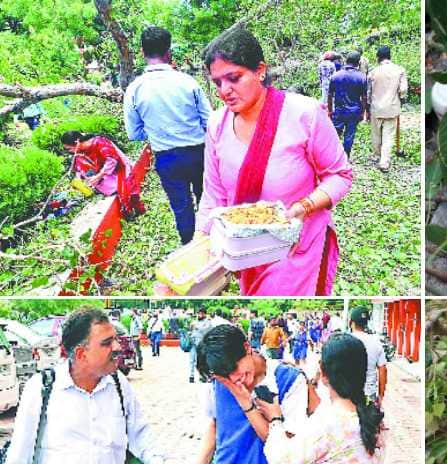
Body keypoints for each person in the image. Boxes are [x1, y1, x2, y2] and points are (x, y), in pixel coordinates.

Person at [0, 307, 181, 464]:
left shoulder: (118, 385)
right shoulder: (43, 388)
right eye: (106, 343)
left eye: (115, 339)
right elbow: (20, 451)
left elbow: (140, 433)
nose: (117, 347)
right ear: (81, 353)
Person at [196, 28, 353, 295]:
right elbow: (214, 195)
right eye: (217, 83)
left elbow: (340, 175)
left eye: (234, 78)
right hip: (246, 247)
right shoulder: (216, 125)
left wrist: (304, 207)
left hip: (296, 245)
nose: (225, 91)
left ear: (260, 70)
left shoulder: (305, 114)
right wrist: (200, 243)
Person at [256, 333, 387, 464]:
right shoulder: (373, 416)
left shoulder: (327, 423)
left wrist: (275, 420)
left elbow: (283, 461)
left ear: (323, 373)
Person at [185, 324, 308, 464]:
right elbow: (215, 424)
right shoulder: (218, 381)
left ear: (247, 347)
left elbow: (287, 446)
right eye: (226, 375)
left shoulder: (289, 380)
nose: (234, 379)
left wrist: (247, 404)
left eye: (235, 368)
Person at [124, 26, 212, 245]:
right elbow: (210, 121)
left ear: (142, 52)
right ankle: (212, 246)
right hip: (198, 152)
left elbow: (133, 133)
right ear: (169, 51)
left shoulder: (135, 89)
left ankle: (191, 252)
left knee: (181, 208)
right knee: (207, 202)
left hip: (167, 158)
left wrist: (157, 130)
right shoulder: (187, 82)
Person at [61, 131, 141, 215]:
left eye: (69, 149)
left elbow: (112, 160)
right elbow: (79, 169)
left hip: (119, 168)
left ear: (76, 142)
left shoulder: (99, 142)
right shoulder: (79, 153)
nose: (70, 151)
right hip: (106, 173)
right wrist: (80, 178)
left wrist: (98, 176)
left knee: (126, 191)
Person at [367, 45, 407, 172]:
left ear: (378, 57)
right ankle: (384, 162)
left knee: (376, 133)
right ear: (390, 56)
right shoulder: (399, 70)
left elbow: (368, 90)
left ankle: (376, 155)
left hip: (376, 108)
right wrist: (401, 97)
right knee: (388, 135)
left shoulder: (373, 71)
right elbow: (403, 89)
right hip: (392, 107)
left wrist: (368, 104)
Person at [328, 52, 368, 157]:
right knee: (349, 136)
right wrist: (362, 112)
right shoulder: (362, 77)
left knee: (334, 135)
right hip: (354, 111)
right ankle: (346, 157)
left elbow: (330, 95)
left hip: (339, 110)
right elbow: (364, 97)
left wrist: (330, 110)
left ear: (346, 61)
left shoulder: (336, 75)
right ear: (358, 63)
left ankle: (332, 156)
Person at [348, 307, 387, 405]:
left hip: (348, 394)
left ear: (351, 322)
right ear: (366, 323)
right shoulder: (375, 341)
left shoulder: (345, 340)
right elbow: (382, 370)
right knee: (368, 420)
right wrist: (381, 396)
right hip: (369, 394)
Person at [188, 308, 214, 383]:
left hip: (202, 344)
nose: (199, 315)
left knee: (201, 361)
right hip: (193, 342)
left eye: (201, 313)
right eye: (198, 313)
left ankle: (202, 376)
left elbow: (206, 330)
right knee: (192, 360)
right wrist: (190, 331)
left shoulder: (208, 322)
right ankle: (191, 376)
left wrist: (196, 327)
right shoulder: (195, 321)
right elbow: (191, 331)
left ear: (205, 314)